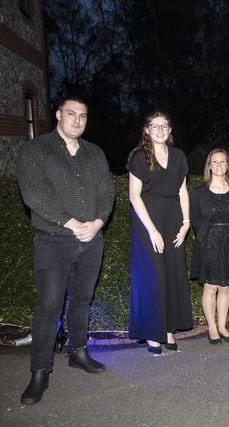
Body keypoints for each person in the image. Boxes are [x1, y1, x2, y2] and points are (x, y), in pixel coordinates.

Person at [16, 96, 115, 405]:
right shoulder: (35, 149)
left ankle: (78, 352)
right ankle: (40, 371)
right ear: (58, 115)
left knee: (82, 301)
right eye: (71, 114)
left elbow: (107, 191)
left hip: (91, 240)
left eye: (82, 115)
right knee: (49, 306)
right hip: (52, 240)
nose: (77, 120)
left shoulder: (95, 153)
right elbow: (33, 193)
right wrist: (73, 223)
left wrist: (98, 222)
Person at [127, 112, 193, 354]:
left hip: (173, 219)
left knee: (174, 275)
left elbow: (183, 191)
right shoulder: (138, 157)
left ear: (170, 129)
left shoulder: (178, 156)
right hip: (148, 221)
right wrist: (152, 230)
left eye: (164, 126)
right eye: (155, 126)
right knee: (155, 278)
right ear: (146, 129)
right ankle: (151, 333)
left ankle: (168, 329)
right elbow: (134, 196)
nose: (160, 130)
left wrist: (186, 223)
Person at [190, 148, 229, 345]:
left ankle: (222, 326)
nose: (219, 165)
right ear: (209, 166)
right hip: (209, 242)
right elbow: (195, 220)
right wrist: (206, 238)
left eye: (223, 162)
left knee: (225, 286)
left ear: (227, 165)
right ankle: (212, 328)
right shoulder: (199, 193)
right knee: (211, 286)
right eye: (215, 162)